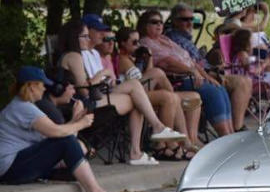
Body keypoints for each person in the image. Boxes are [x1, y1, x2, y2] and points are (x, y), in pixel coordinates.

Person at [58, 18, 185, 165]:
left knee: (136, 94)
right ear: (74, 37)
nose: (88, 39)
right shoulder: (73, 56)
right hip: (84, 104)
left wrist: (106, 79)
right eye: (85, 36)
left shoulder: (80, 55)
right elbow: (85, 90)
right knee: (136, 94)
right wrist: (103, 73)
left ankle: (150, 137)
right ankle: (141, 146)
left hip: (96, 95)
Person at [0, 66, 119, 192]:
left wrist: (75, 120)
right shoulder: (23, 108)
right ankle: (94, 191)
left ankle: (86, 186)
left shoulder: (22, 105)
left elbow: (57, 135)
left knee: (72, 160)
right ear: (32, 87)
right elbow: (57, 133)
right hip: (10, 169)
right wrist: (81, 123)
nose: (44, 89)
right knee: (66, 143)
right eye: (42, 85)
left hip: (13, 167)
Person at [137, 9, 235, 136]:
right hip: (176, 81)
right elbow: (167, 63)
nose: (159, 25)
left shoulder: (164, 39)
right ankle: (225, 134)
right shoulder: (146, 43)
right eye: (154, 22)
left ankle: (231, 133)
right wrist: (192, 71)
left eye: (161, 22)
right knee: (212, 92)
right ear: (144, 25)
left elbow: (190, 60)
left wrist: (206, 76)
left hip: (191, 76)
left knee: (219, 87)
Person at [116, 27, 200, 159]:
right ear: (123, 43)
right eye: (134, 42)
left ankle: (182, 140)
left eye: (139, 42)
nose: (138, 46)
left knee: (173, 96)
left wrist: (149, 59)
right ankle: (169, 144)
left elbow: (147, 76)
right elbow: (138, 81)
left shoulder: (132, 58)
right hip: (131, 96)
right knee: (161, 80)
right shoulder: (122, 59)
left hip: (141, 92)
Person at [165, 3, 252, 131]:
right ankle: (234, 129)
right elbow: (186, 63)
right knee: (237, 83)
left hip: (207, 71)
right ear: (175, 21)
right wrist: (208, 72)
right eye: (185, 19)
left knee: (244, 81)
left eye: (192, 19)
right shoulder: (173, 38)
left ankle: (235, 128)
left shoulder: (185, 38)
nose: (190, 23)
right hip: (194, 75)